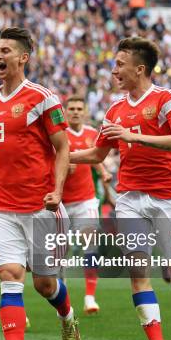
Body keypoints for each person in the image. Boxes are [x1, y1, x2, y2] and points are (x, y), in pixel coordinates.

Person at [71, 37, 171, 340]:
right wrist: (55, 158)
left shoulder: (166, 99)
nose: (114, 69)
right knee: (138, 273)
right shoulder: (114, 110)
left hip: (170, 199)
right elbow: (96, 155)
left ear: (140, 68)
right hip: (131, 198)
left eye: (120, 64)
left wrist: (135, 138)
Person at [0, 27, 80, 340]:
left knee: (45, 285)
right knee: (10, 276)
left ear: (23, 58)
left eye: (5, 50)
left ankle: (67, 318)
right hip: (0, 206)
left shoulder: (42, 98)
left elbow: (63, 147)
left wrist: (58, 189)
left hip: (40, 206)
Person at [62, 96, 112, 314]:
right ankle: (62, 301)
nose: (75, 112)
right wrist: (63, 166)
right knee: (58, 253)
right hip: (61, 202)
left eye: (78, 108)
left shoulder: (92, 133)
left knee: (90, 242)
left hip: (86, 199)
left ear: (85, 112)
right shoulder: (59, 134)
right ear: (65, 111)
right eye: (71, 108)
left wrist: (103, 174)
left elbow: (97, 157)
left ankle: (90, 298)